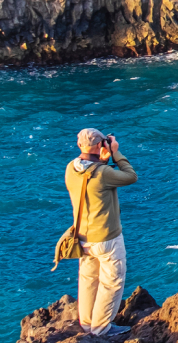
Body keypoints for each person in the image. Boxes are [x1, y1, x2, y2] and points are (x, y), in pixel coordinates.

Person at [66, 128, 138, 337]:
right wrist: (116, 154)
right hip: (107, 238)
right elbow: (131, 176)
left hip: (82, 238)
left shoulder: (71, 168)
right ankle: (101, 328)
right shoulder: (103, 173)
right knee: (111, 282)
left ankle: (88, 324)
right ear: (100, 145)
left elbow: (93, 181)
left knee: (88, 280)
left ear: (79, 145)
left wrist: (103, 161)